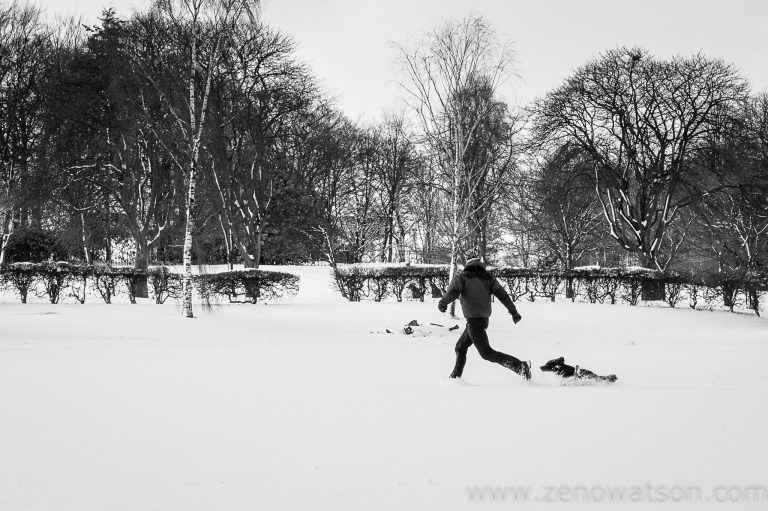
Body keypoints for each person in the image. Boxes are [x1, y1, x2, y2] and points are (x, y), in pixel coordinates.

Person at [438, 257, 530, 380]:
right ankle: (455, 377)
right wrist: (514, 312)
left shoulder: (462, 277)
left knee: (487, 353)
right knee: (460, 347)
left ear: (467, 265)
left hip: (474, 322)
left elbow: (454, 292)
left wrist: (442, 303)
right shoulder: (488, 278)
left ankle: (520, 366)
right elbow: (503, 296)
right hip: (481, 320)